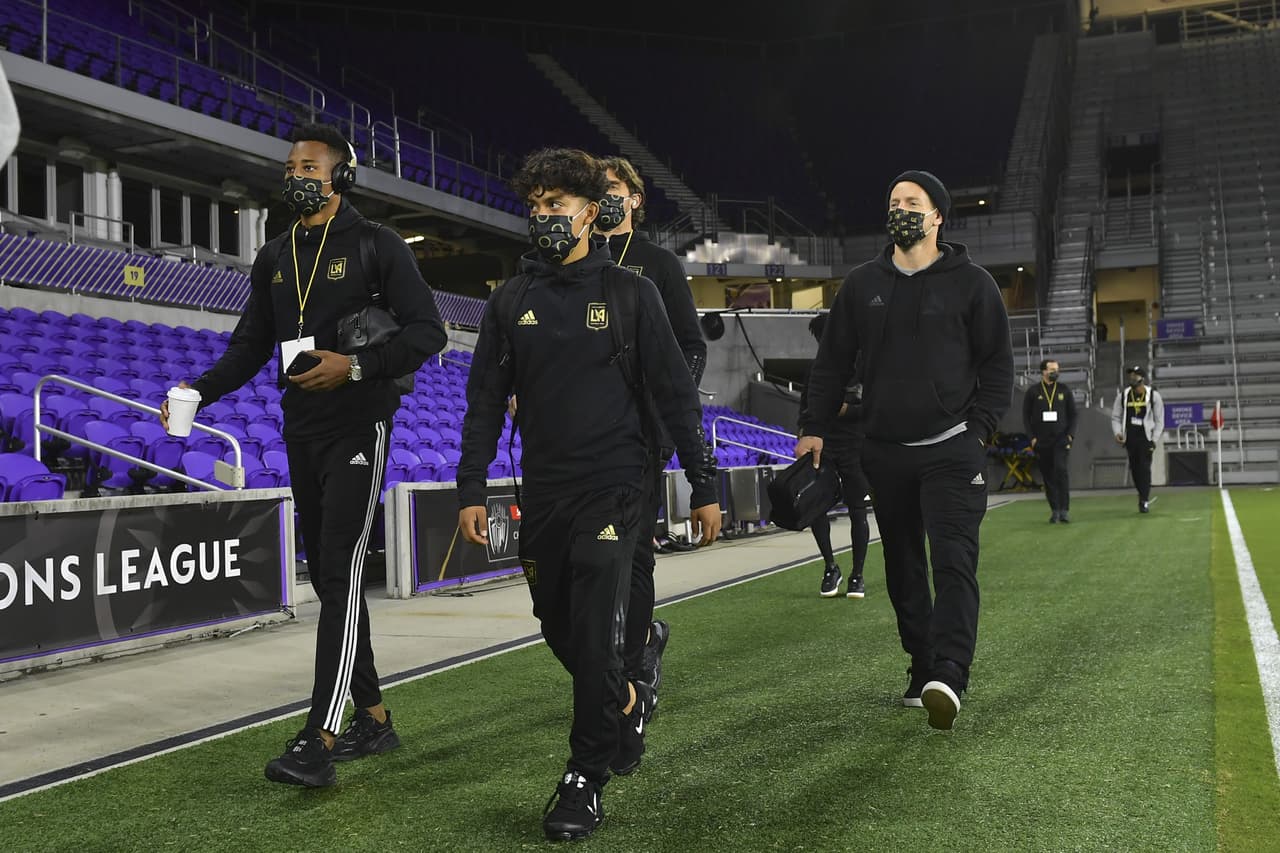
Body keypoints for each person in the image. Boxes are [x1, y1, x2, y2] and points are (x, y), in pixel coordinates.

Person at [161, 123, 447, 787]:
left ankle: (319, 734)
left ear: (341, 176)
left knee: (341, 575)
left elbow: (429, 331)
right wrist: (197, 389)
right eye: (291, 164)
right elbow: (249, 344)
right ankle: (373, 718)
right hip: (301, 430)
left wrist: (356, 367)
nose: (297, 174)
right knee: (329, 579)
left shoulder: (376, 246)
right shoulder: (274, 254)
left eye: (311, 165)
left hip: (358, 425)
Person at [457, 148, 720, 842]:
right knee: (561, 627)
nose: (545, 215)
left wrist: (704, 482)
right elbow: (484, 399)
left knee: (601, 633)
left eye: (558, 203)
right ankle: (626, 700)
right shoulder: (510, 301)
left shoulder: (633, 294)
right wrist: (471, 486)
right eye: (535, 205)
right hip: (543, 493)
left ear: (589, 212)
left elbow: (675, 394)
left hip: (615, 490)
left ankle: (584, 777)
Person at [796, 170, 1013, 731]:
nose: (901, 209)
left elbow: (997, 366)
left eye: (913, 202)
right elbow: (832, 363)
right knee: (903, 567)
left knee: (954, 561)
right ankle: (921, 666)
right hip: (885, 451)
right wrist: (813, 424)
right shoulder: (863, 284)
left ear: (938, 215)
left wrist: (979, 432)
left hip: (952, 450)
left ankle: (950, 672)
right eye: (894, 201)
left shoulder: (974, 284)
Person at [594, 155, 707, 701]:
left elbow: (691, 344)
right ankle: (621, 651)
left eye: (615, 187)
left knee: (634, 552)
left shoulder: (658, 264)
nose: (606, 196)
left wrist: (666, 412)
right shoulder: (578, 259)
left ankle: (636, 661)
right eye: (599, 189)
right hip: (585, 435)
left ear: (636, 199)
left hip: (642, 438)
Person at [800, 314, 871, 599]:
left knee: (858, 510)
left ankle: (858, 575)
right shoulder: (816, 371)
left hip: (856, 446)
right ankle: (831, 567)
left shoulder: (863, 367)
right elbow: (805, 408)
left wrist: (847, 411)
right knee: (816, 508)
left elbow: (875, 408)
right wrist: (803, 435)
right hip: (823, 447)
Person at [1023, 358, 1078, 523]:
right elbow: (1026, 417)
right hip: (1041, 441)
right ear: (1043, 371)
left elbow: (1073, 414)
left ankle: (1064, 510)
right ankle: (1054, 510)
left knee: (1061, 471)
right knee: (1048, 475)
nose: (1055, 372)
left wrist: (1070, 435)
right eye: (1052, 369)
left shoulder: (1064, 390)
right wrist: (1032, 438)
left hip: (1061, 440)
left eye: (1057, 369)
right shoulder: (1033, 392)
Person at [1111, 364, 1164, 513]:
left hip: (1145, 438)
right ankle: (1142, 495)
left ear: (1142, 378)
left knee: (1144, 468)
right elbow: (1115, 417)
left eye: (1135, 375)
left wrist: (1154, 439)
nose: (1132, 378)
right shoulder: (1123, 396)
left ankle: (1144, 500)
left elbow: (1160, 421)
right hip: (1130, 438)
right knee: (1135, 469)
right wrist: (1117, 432)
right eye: (1131, 375)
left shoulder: (1153, 396)